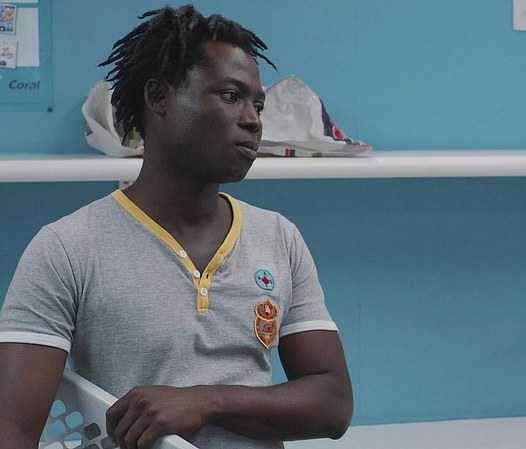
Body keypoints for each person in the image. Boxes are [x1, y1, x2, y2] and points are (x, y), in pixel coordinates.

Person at [0, 5, 352, 449]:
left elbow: (333, 403)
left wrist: (208, 401)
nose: (253, 119)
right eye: (231, 96)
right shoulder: (67, 248)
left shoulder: (279, 237)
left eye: (258, 104)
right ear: (159, 97)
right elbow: (11, 427)